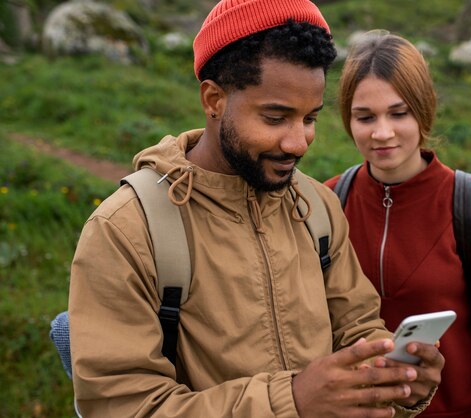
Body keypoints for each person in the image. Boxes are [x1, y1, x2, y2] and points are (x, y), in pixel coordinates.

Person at [68, 2, 446, 417]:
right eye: (275, 117)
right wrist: (295, 402)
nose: (298, 143)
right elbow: (123, 406)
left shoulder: (318, 208)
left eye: (310, 118)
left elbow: (357, 329)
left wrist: (392, 377)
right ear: (214, 99)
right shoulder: (125, 230)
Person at [325, 30, 471, 417]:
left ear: (424, 110)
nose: (382, 133)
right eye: (365, 116)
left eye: (398, 113)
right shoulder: (328, 203)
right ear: (347, 120)